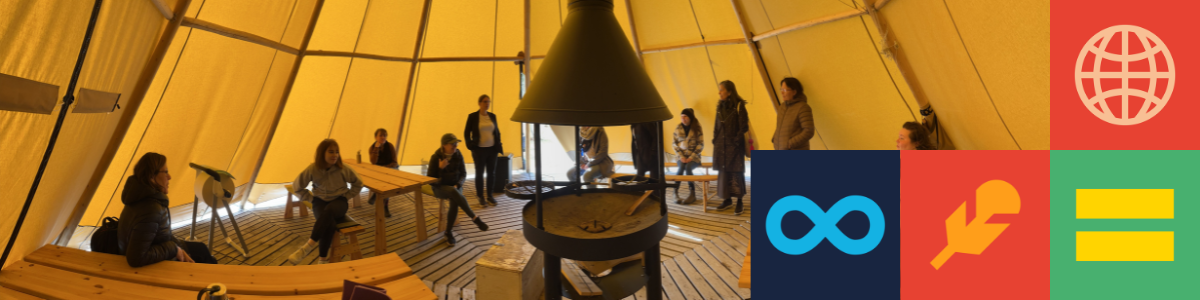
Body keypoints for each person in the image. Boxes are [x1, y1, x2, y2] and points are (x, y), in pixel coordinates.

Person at [118, 152, 217, 267]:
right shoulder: (151, 209)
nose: (169, 176)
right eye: (165, 172)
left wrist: (177, 246)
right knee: (204, 256)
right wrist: (174, 249)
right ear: (151, 177)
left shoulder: (138, 196)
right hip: (152, 263)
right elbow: (136, 258)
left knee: (201, 248)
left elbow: (158, 235)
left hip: (157, 246)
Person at [288, 139, 364, 265]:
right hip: (319, 201)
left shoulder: (343, 168)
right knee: (328, 222)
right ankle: (322, 260)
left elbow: (358, 183)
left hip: (339, 201)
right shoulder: (313, 169)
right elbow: (297, 187)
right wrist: (311, 199)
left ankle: (308, 246)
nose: (334, 155)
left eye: (337, 152)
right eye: (331, 152)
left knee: (328, 213)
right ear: (322, 153)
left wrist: (347, 196)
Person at [427, 133, 490, 246]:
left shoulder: (458, 154)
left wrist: (458, 184)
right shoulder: (435, 157)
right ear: (444, 145)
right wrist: (440, 168)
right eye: (453, 144)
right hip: (440, 187)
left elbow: (464, 174)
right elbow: (431, 180)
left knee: (454, 199)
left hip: (455, 186)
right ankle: (475, 218)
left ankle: (448, 232)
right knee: (453, 193)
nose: (455, 146)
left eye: (456, 143)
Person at [713, 80, 749, 215]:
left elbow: (743, 126)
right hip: (721, 146)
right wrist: (715, 140)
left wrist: (735, 141)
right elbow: (716, 126)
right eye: (719, 89)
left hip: (734, 147)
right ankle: (727, 200)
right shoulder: (719, 107)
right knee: (724, 175)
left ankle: (739, 202)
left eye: (721, 90)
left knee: (736, 174)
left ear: (729, 92)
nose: (719, 92)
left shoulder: (739, 106)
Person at [464, 94, 503, 207]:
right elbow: (467, 133)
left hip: (492, 150)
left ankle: (490, 196)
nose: (487, 104)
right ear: (479, 103)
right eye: (485, 101)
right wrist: (470, 145)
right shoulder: (472, 117)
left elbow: (497, 132)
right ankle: (480, 196)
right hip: (479, 150)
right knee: (479, 173)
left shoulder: (492, 116)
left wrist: (498, 143)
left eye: (489, 102)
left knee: (491, 173)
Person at [772, 77, 815, 150]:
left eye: (785, 90)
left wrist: (790, 144)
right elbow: (780, 126)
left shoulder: (803, 107)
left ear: (794, 92)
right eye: (781, 89)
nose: (782, 92)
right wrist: (775, 139)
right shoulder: (782, 106)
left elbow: (809, 131)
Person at [673, 108, 704, 204]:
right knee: (681, 167)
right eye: (682, 117)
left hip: (694, 157)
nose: (683, 119)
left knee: (688, 167)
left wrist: (691, 157)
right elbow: (674, 144)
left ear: (690, 118)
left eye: (685, 117)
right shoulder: (678, 128)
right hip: (681, 157)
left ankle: (692, 194)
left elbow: (701, 145)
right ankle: (675, 193)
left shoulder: (697, 128)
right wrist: (681, 156)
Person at [367, 128, 399, 218]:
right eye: (380, 135)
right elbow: (373, 162)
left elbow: (395, 162)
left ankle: (377, 197)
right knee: (382, 179)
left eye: (384, 135)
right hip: (378, 171)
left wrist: (386, 168)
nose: (383, 137)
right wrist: (376, 148)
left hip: (390, 169)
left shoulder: (390, 146)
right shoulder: (372, 148)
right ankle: (384, 205)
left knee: (387, 181)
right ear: (375, 137)